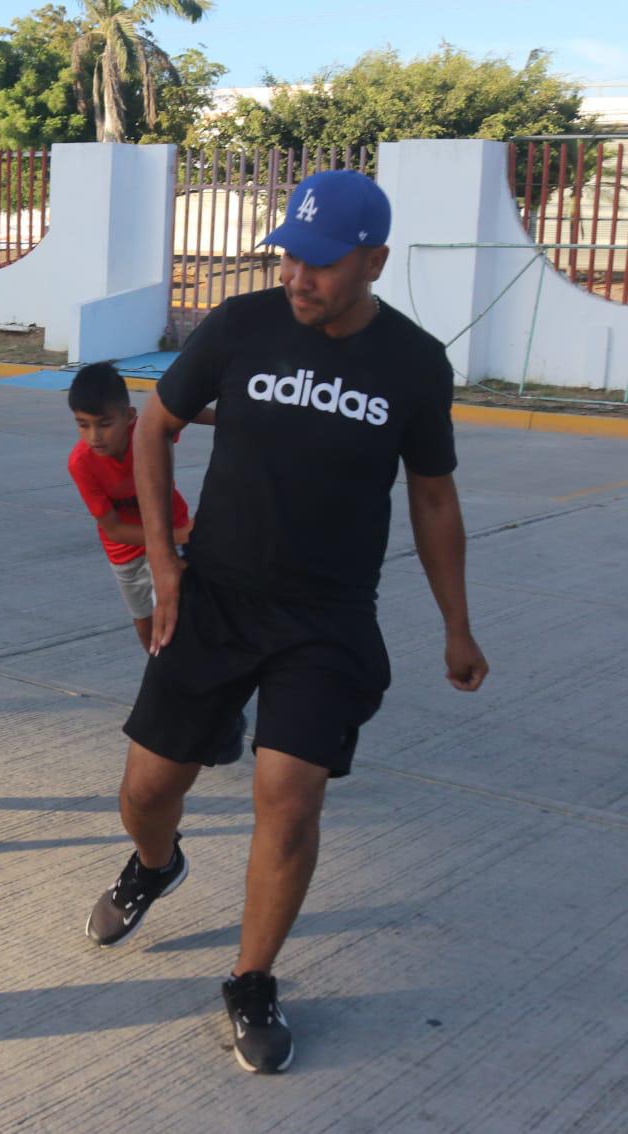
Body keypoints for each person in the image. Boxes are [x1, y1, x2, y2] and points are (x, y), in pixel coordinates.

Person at [84, 170, 489, 1074]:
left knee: (289, 794)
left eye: (318, 262)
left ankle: (252, 976)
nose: (296, 276)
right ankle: (155, 866)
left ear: (374, 260)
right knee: (147, 791)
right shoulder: (241, 325)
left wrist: (456, 624)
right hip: (217, 596)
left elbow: (431, 495)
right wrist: (163, 560)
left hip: (328, 616)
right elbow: (155, 427)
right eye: (289, 255)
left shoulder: (415, 364)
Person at [66, 362, 200, 651]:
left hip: (173, 531)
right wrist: (181, 535)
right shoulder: (81, 463)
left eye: (104, 424)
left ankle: (181, 675)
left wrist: (229, 415)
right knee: (145, 625)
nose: (94, 437)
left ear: (129, 416)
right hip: (127, 552)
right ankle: (157, 670)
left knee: (180, 615)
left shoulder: (148, 433)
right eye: (83, 424)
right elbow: (113, 530)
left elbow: (183, 409)